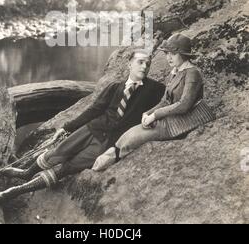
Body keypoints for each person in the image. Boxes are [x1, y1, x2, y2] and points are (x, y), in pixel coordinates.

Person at [0, 49, 165, 201]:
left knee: (67, 167)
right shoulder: (115, 87)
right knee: (57, 153)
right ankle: (25, 174)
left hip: (109, 143)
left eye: (148, 63)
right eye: (140, 62)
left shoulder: (154, 90)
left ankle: (17, 190)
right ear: (129, 64)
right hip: (91, 129)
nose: (144, 66)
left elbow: (170, 100)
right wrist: (67, 127)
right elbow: (94, 110)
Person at [92, 33, 215, 171]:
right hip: (171, 117)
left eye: (173, 54)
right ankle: (111, 153)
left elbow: (184, 105)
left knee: (133, 139)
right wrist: (147, 113)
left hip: (183, 121)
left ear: (183, 54)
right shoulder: (175, 72)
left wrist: (155, 115)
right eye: (167, 53)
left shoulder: (192, 73)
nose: (168, 57)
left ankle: (112, 159)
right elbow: (165, 100)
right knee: (129, 133)